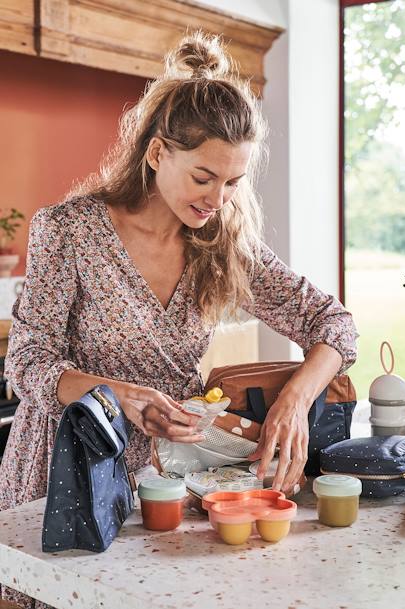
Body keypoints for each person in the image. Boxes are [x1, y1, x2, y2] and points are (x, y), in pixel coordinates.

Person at [0, 32, 357, 608]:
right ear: (158, 152)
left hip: (170, 480)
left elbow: (334, 324)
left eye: (232, 182)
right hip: (67, 467)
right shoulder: (68, 230)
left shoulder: (224, 242)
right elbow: (27, 362)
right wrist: (115, 395)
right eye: (203, 177)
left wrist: (294, 400)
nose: (218, 199)